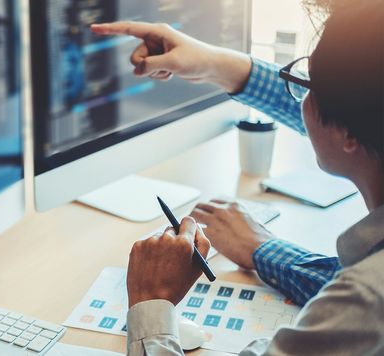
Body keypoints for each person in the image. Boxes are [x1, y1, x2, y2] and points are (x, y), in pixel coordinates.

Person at [91, 0, 383, 354]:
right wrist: (215, 64)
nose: (301, 99)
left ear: (351, 131)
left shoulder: (365, 300)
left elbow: (361, 302)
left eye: (308, 83)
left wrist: (151, 302)